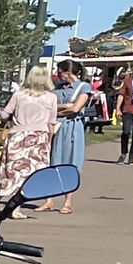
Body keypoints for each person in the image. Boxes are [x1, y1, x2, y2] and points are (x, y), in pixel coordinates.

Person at [1, 65, 59, 213]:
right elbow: (52, 122)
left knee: (14, 171)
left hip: (18, 136)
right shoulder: (51, 97)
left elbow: (4, 114)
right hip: (39, 138)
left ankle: (9, 206)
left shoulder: (19, 95)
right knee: (33, 172)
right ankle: (20, 207)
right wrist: (49, 141)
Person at [50, 60, 90, 211]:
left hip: (72, 127)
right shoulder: (58, 88)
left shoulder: (83, 87)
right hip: (57, 126)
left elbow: (75, 108)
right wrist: (64, 107)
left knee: (70, 161)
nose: (58, 74)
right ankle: (49, 199)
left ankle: (68, 201)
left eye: (60, 71)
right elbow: (50, 104)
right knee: (53, 160)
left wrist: (59, 110)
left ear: (68, 72)